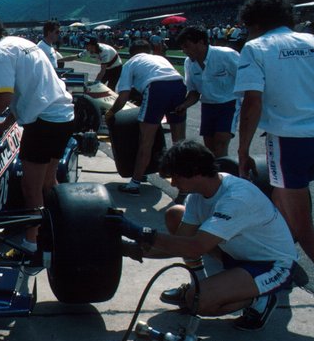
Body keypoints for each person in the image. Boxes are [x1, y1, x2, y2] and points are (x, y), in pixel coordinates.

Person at [234, 0, 314, 334]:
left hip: (287, 143)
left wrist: (242, 151)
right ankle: (282, 269)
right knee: (285, 211)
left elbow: (252, 103)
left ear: (253, 25)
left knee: (302, 228)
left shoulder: (256, 48)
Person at [113, 140, 298, 330]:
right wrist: (128, 248)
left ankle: (259, 302)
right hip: (236, 256)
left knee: (197, 303)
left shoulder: (236, 198)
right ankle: (200, 284)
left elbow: (195, 246)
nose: (173, 183)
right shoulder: (198, 195)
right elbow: (181, 242)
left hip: (271, 265)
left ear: (196, 171)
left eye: (176, 177)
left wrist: (137, 231)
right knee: (175, 215)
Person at [0, 15, 74, 255]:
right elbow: (25, 93)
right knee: (48, 183)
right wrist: (4, 125)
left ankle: (31, 244)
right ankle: (61, 227)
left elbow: (3, 98)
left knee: (30, 187)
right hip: (63, 115)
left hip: (44, 122)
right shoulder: (19, 42)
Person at [104, 40, 186, 194]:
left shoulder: (130, 63)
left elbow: (123, 97)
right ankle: (184, 185)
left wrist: (111, 112)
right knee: (179, 143)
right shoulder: (161, 58)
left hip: (156, 88)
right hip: (178, 85)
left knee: (146, 142)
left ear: (131, 53)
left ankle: (135, 183)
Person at [174, 26, 241, 157]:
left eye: (187, 46)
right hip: (208, 106)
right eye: (182, 47)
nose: (184, 51)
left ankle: (225, 173)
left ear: (201, 42)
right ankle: (214, 174)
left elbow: (245, 79)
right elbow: (194, 92)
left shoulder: (226, 55)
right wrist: (184, 105)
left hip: (228, 104)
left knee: (221, 142)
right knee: (209, 147)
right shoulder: (189, 63)